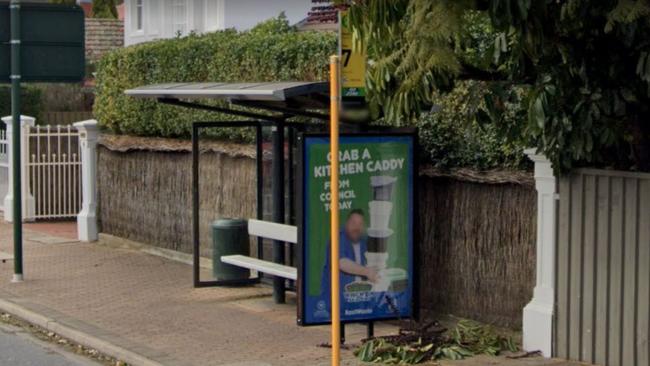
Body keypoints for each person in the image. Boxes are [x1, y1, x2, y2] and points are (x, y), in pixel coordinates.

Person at [320, 209, 379, 301]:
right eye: (353, 223)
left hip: (360, 300)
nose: (356, 228)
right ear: (346, 223)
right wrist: (367, 272)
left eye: (360, 224)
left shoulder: (363, 242)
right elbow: (341, 263)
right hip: (336, 301)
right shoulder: (339, 237)